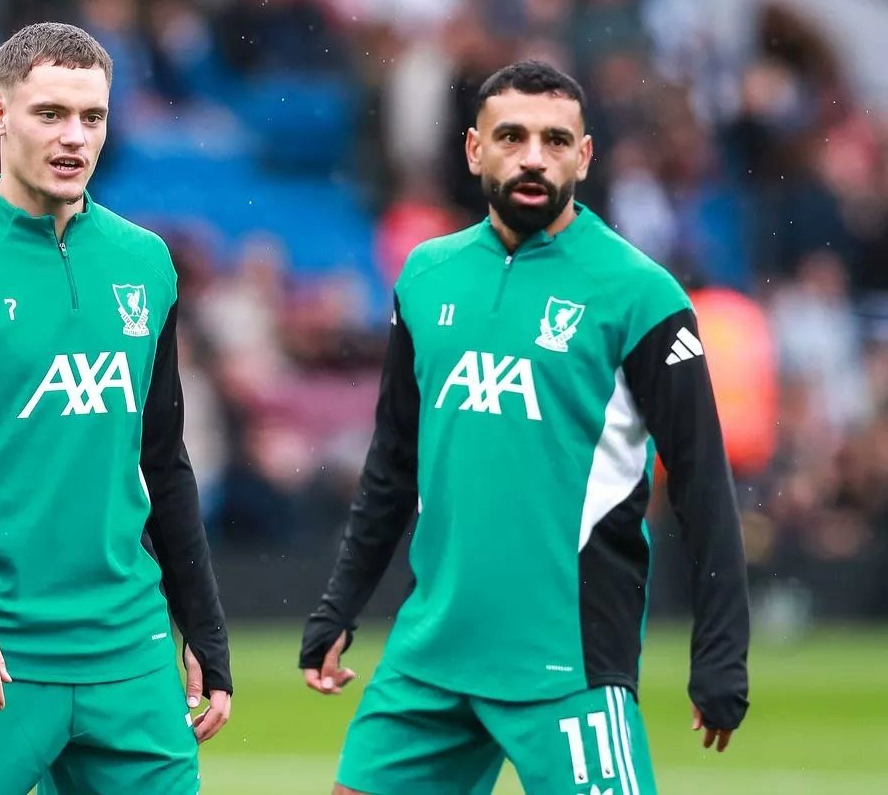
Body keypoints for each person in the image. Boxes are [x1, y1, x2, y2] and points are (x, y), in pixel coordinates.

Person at [298, 59, 750, 795]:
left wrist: (722, 651)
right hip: (432, 654)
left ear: (585, 155)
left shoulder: (641, 295)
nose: (533, 157)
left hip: (566, 661)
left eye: (555, 139)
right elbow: (393, 460)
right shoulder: (426, 276)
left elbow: (702, 484)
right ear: (474, 149)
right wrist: (339, 605)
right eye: (511, 136)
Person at [0, 22, 231, 795]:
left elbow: (163, 459)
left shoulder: (145, 262)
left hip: (129, 655)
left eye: (92, 117)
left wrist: (201, 623)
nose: (74, 137)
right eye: (50, 114)